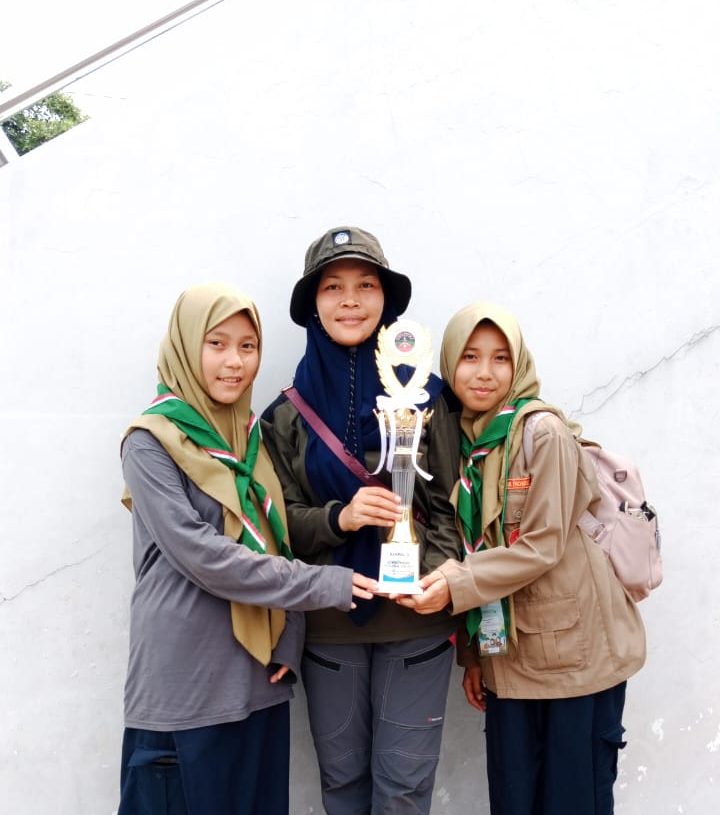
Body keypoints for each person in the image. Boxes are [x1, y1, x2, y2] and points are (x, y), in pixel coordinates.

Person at [118, 284, 378, 815]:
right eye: (217, 344)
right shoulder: (150, 442)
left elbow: (277, 538)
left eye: (248, 346)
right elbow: (203, 556)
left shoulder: (252, 440)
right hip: (184, 688)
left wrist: (290, 636)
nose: (234, 362)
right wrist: (324, 586)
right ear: (186, 346)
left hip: (259, 678)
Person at [395, 301, 647, 815]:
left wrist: (452, 584)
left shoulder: (541, 433)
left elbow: (542, 544)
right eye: (470, 357)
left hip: (576, 662)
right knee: (514, 801)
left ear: (519, 364)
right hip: (510, 660)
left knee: (574, 801)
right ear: (449, 363)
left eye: (500, 358)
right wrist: (474, 657)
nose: (484, 373)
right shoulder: (469, 443)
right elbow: (481, 545)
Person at [261, 227, 462, 815]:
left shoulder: (428, 398)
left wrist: (432, 577)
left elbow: (452, 504)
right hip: (330, 626)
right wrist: (339, 518)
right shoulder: (285, 414)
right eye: (333, 287)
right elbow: (278, 526)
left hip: (417, 624)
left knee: (403, 794)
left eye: (366, 285)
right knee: (343, 790)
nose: (350, 300)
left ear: (385, 300)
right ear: (312, 304)